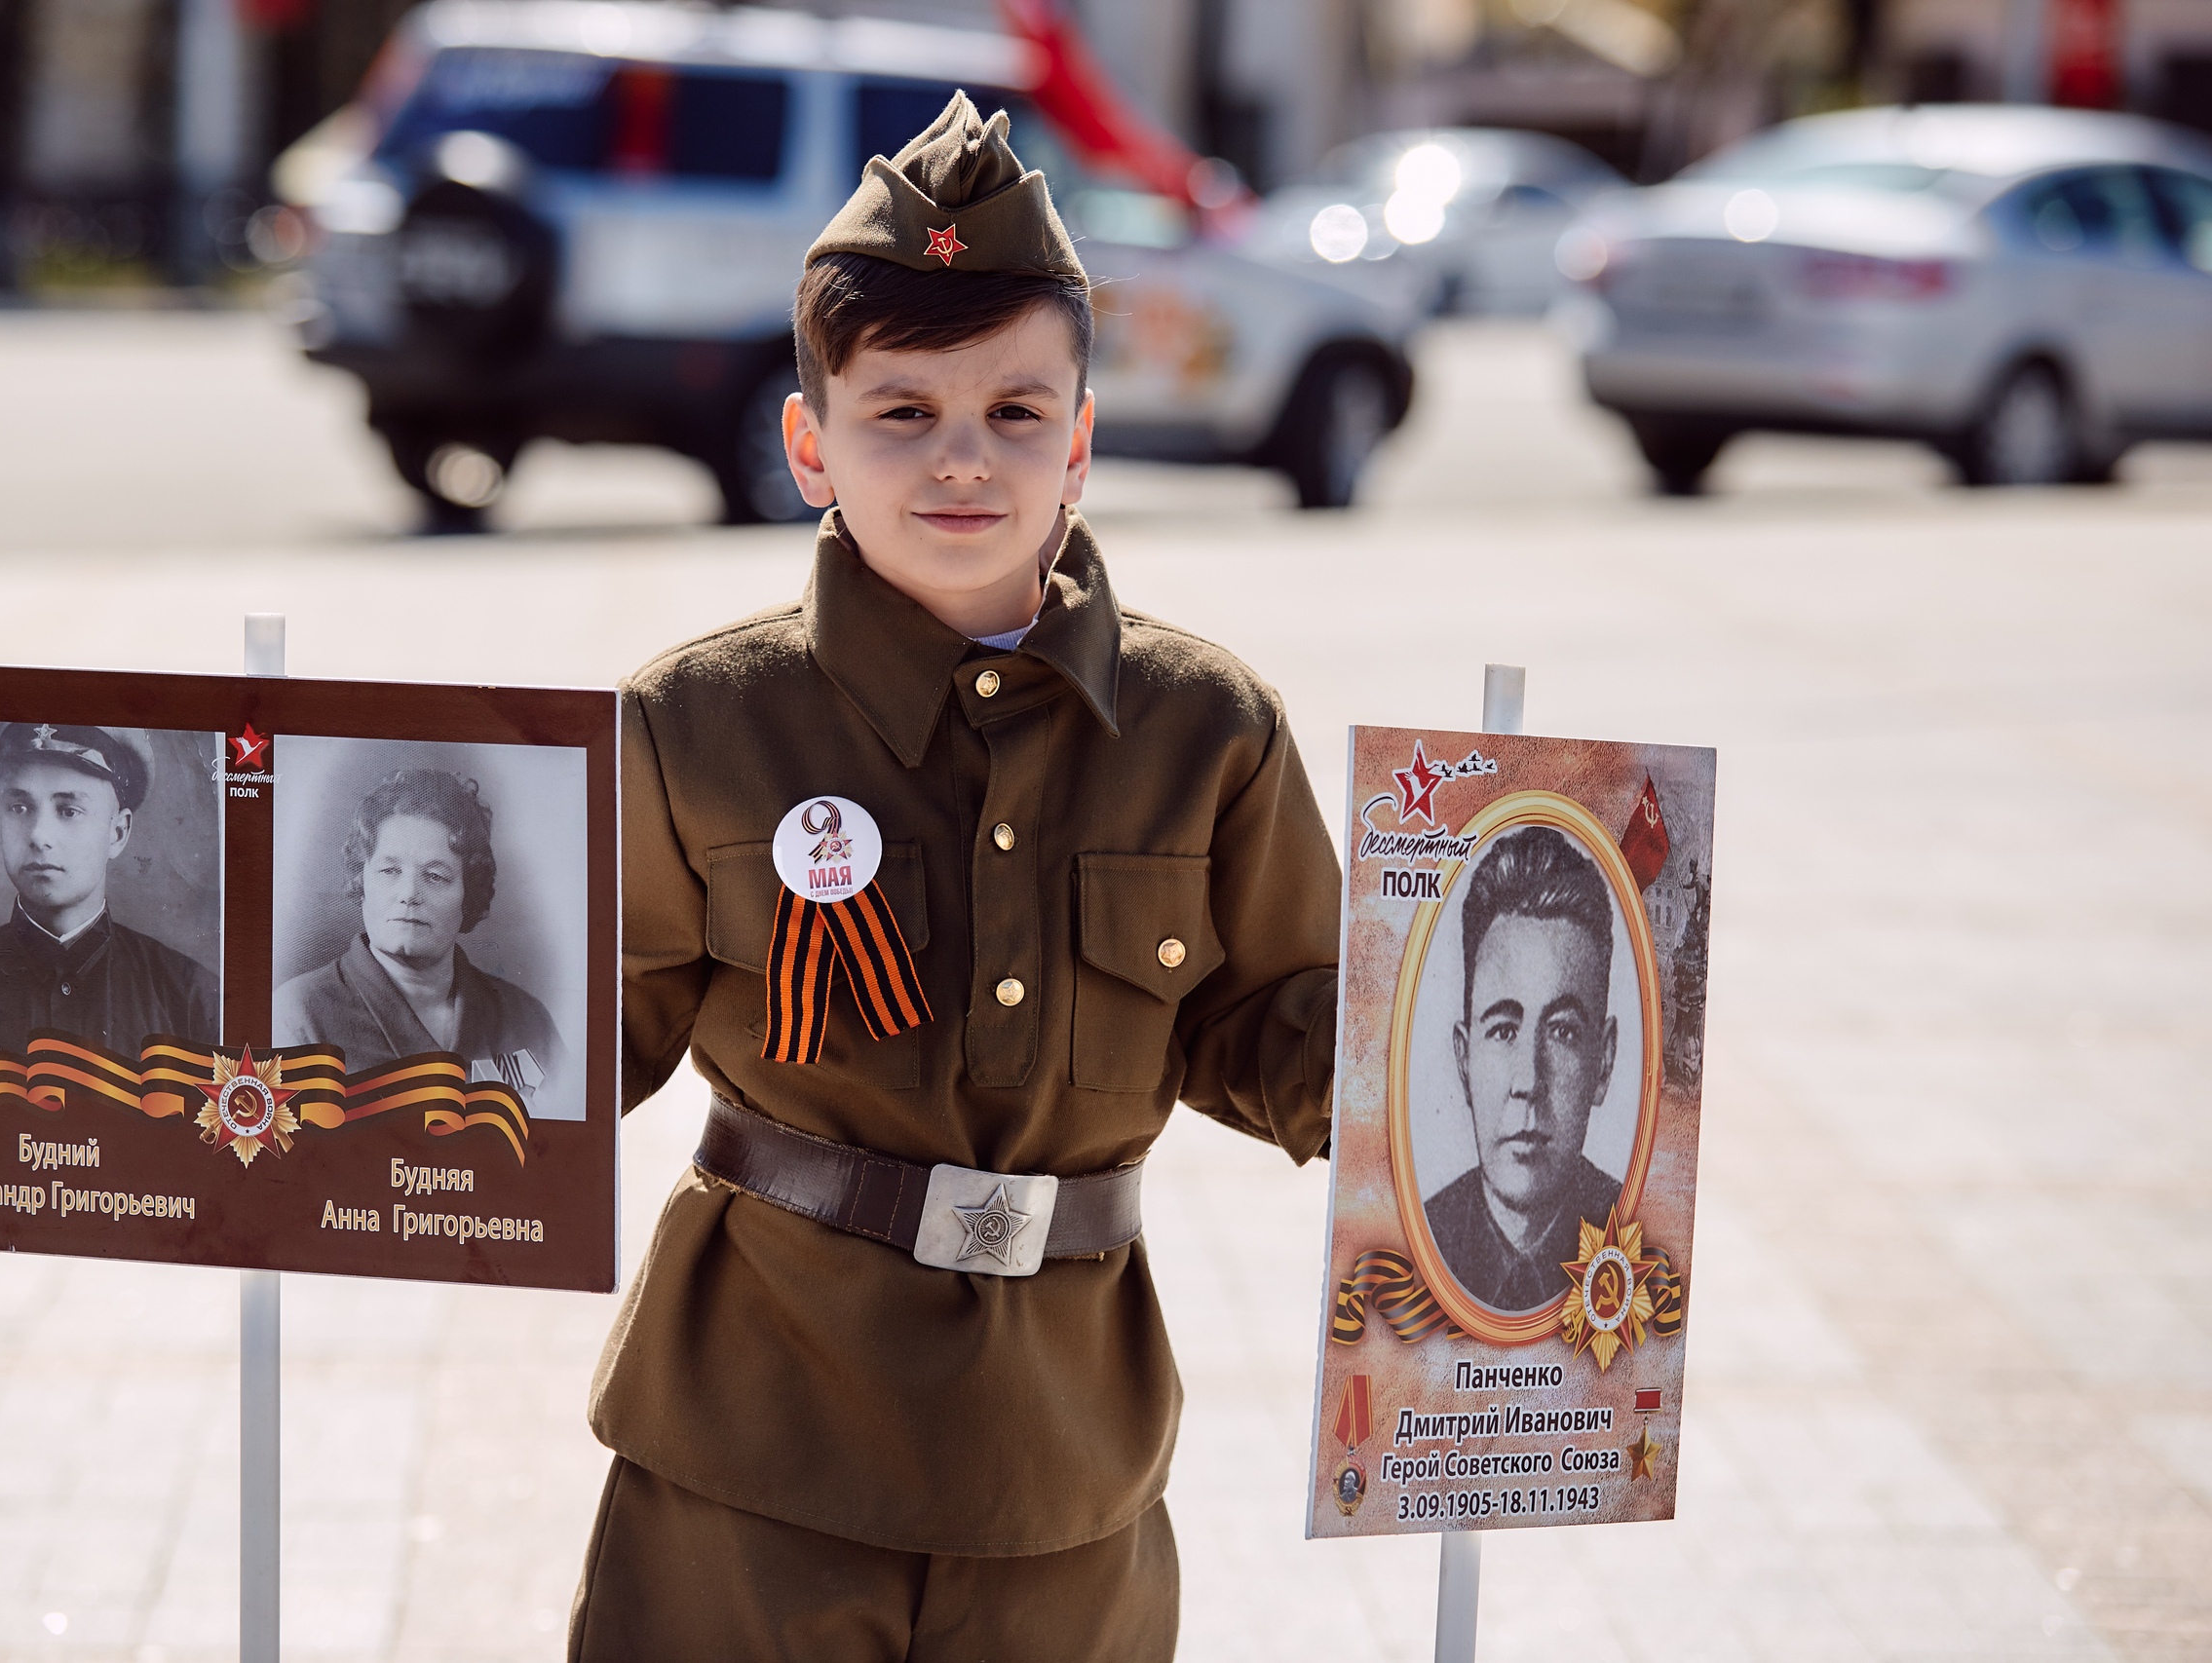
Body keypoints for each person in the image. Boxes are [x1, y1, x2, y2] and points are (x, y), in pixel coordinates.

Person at [571, 94, 1341, 1662]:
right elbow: (565, 1038)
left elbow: (1283, 1022)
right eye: (902, 411)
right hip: (749, 1449)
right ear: (810, 444)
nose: (964, 458)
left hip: (1063, 1459)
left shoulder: (1205, 728)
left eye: (1015, 409)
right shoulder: (695, 721)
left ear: (1083, 440)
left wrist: (1458, 1077)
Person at [0, 723, 217, 1081]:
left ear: (117, 833)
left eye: (68, 810)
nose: (39, 835)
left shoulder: (190, 999)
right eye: (19, 807)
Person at [272, 767, 565, 1106]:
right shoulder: (297, 1016)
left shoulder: (527, 1018)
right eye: (390, 871)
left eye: (435, 876)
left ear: (468, 894)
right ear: (362, 882)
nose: (409, 894)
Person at [1423, 825, 1625, 1312]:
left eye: (1563, 1031)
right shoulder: (1419, 1241)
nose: (1529, 1082)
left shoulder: (1641, 1229)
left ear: (1603, 1062)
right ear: (1464, 1060)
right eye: (1503, 1030)